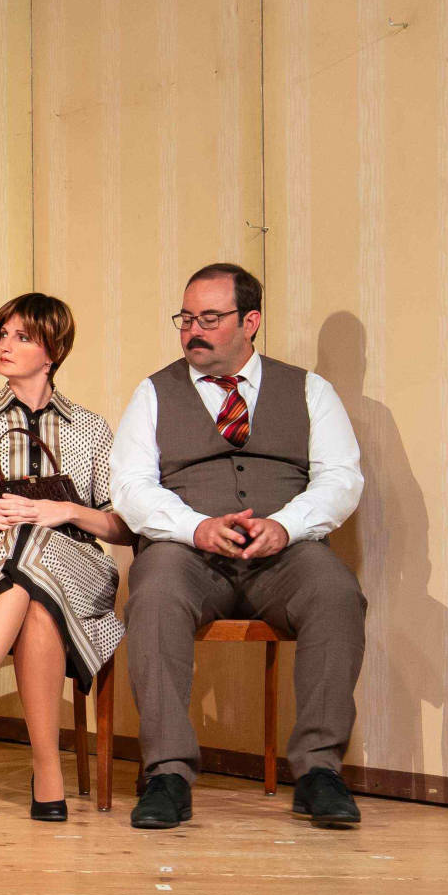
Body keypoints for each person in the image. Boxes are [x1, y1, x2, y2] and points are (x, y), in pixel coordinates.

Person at [116, 263, 366, 830]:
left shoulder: (309, 390)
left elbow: (341, 478)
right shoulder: (154, 392)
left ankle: (319, 771)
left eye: (210, 319)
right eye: (186, 319)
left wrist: (287, 524)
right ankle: (167, 774)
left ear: (250, 321)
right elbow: (130, 486)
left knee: (336, 592)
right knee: (153, 596)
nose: (193, 331)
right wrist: (195, 527)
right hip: (188, 554)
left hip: (283, 554)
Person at [0, 294, 135, 820]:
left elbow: (121, 527)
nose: (5, 345)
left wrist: (64, 511)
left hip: (77, 569)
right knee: (34, 590)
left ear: (52, 352)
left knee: (36, 543)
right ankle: (48, 772)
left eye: (22, 337)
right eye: (3, 334)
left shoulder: (91, 428)